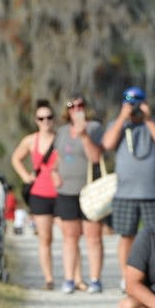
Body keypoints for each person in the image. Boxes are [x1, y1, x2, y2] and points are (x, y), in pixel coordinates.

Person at [100, 86, 155, 291]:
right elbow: (108, 144)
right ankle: (126, 277)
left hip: (152, 193)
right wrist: (123, 117)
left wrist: (147, 119)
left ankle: (154, 276)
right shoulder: (118, 125)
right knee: (126, 236)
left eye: (138, 103)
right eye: (131, 103)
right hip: (125, 193)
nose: (134, 108)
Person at [54, 93, 105, 294]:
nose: (76, 109)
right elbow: (58, 158)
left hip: (90, 191)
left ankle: (95, 279)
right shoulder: (62, 131)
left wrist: (84, 135)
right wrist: (53, 173)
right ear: (66, 110)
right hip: (67, 190)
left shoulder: (94, 128)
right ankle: (69, 278)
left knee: (93, 236)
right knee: (69, 237)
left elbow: (96, 157)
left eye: (80, 105)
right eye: (71, 106)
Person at [10, 99, 58, 289]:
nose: (45, 121)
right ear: (36, 120)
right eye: (41, 118)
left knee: (71, 237)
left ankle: (74, 277)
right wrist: (25, 176)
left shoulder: (61, 137)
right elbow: (15, 158)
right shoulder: (30, 140)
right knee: (45, 237)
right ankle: (49, 278)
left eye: (49, 117)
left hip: (62, 192)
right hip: (39, 193)